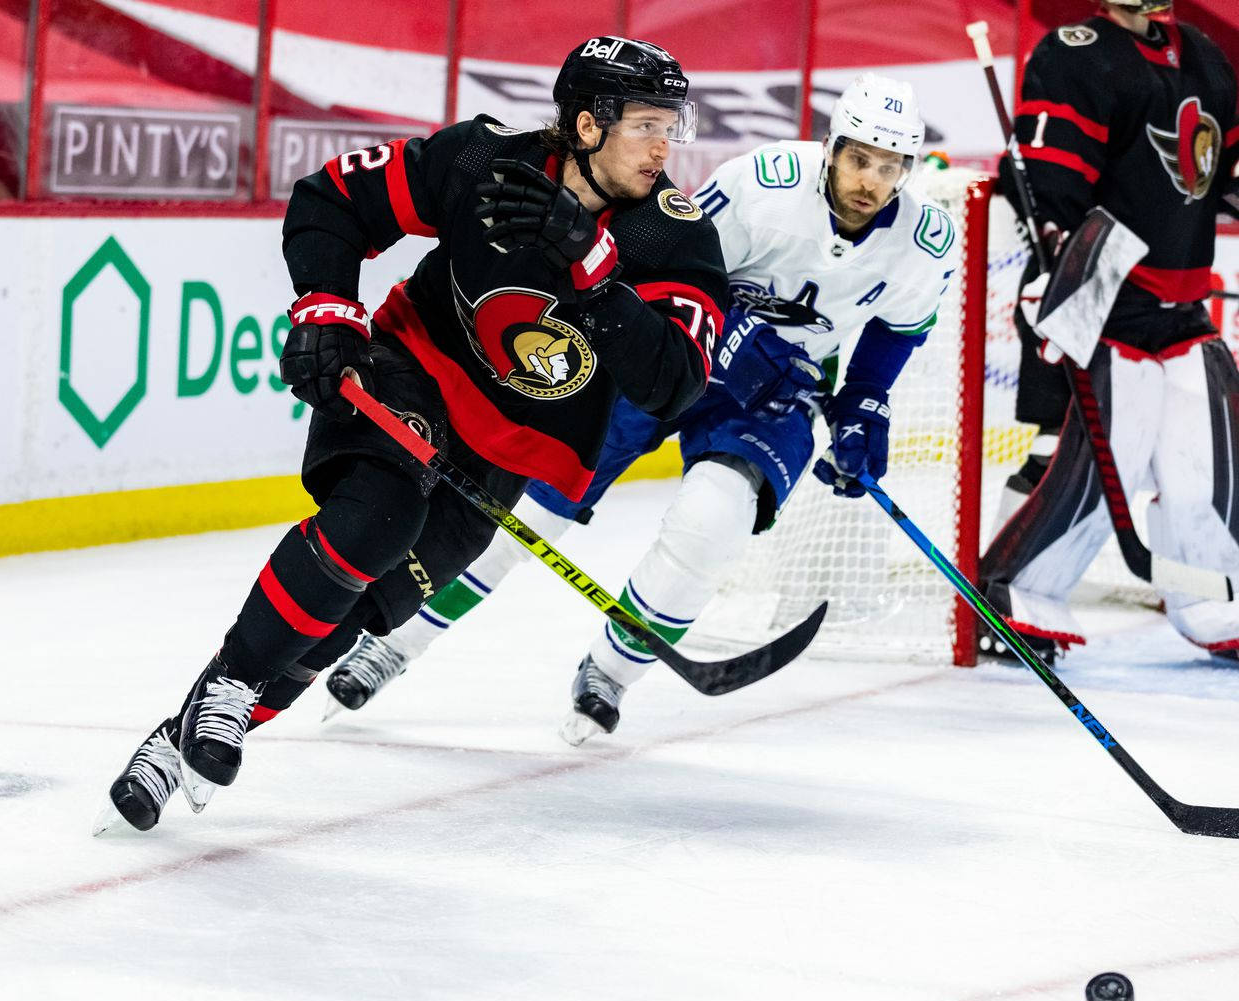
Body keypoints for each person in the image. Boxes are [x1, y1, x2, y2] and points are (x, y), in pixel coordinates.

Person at [94, 36, 728, 833]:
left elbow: (674, 382)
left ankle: (178, 734)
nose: (666, 145)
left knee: (352, 618)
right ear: (587, 124)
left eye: (675, 125)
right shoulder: (482, 161)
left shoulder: (672, 236)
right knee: (375, 521)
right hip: (411, 373)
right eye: (647, 124)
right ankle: (229, 688)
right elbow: (331, 199)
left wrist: (594, 266)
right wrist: (325, 305)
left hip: (507, 452)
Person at [326, 73, 958, 744]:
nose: (871, 179)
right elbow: (671, 258)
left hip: (777, 394)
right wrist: (732, 334)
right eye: (860, 158)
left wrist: (864, 403)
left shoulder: (924, 240)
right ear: (831, 148)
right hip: (673, 355)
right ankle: (395, 642)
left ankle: (609, 675)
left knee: (714, 520)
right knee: (527, 511)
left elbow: (900, 327)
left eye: (890, 167)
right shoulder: (765, 182)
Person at [978, 0, 1239, 664]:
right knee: (1097, 471)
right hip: (1105, 302)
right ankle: (1017, 600)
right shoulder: (1073, 53)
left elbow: (1224, 177)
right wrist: (1057, 271)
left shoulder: (1205, 57)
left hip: (1184, 304)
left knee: (1209, 468)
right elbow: (1051, 183)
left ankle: (1216, 605)